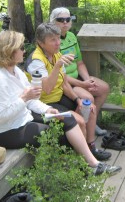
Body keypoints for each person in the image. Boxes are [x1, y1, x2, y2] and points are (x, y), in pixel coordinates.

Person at [0, 31, 120, 175]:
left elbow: (32, 101)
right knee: (57, 133)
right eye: (21, 47)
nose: (24, 50)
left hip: (23, 118)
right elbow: (0, 117)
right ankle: (79, 172)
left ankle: (93, 164)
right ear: (9, 51)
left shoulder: (15, 71)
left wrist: (48, 110)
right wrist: (23, 99)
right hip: (8, 131)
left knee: (67, 119)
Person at [25, 23, 112, 161]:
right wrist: (58, 65)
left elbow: (64, 82)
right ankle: (82, 160)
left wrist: (78, 99)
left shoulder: (55, 54)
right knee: (79, 121)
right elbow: (46, 90)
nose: (58, 43)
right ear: (41, 43)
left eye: (58, 38)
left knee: (88, 107)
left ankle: (91, 147)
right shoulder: (36, 61)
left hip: (59, 97)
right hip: (44, 103)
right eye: (53, 40)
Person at [49, 7, 109, 136]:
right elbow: (61, 74)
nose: (65, 22)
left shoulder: (71, 36)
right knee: (88, 97)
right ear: (53, 22)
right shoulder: (53, 42)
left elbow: (79, 63)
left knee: (103, 88)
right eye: (61, 20)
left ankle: (91, 122)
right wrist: (83, 84)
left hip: (78, 79)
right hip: (66, 83)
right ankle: (82, 129)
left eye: (68, 19)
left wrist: (87, 80)